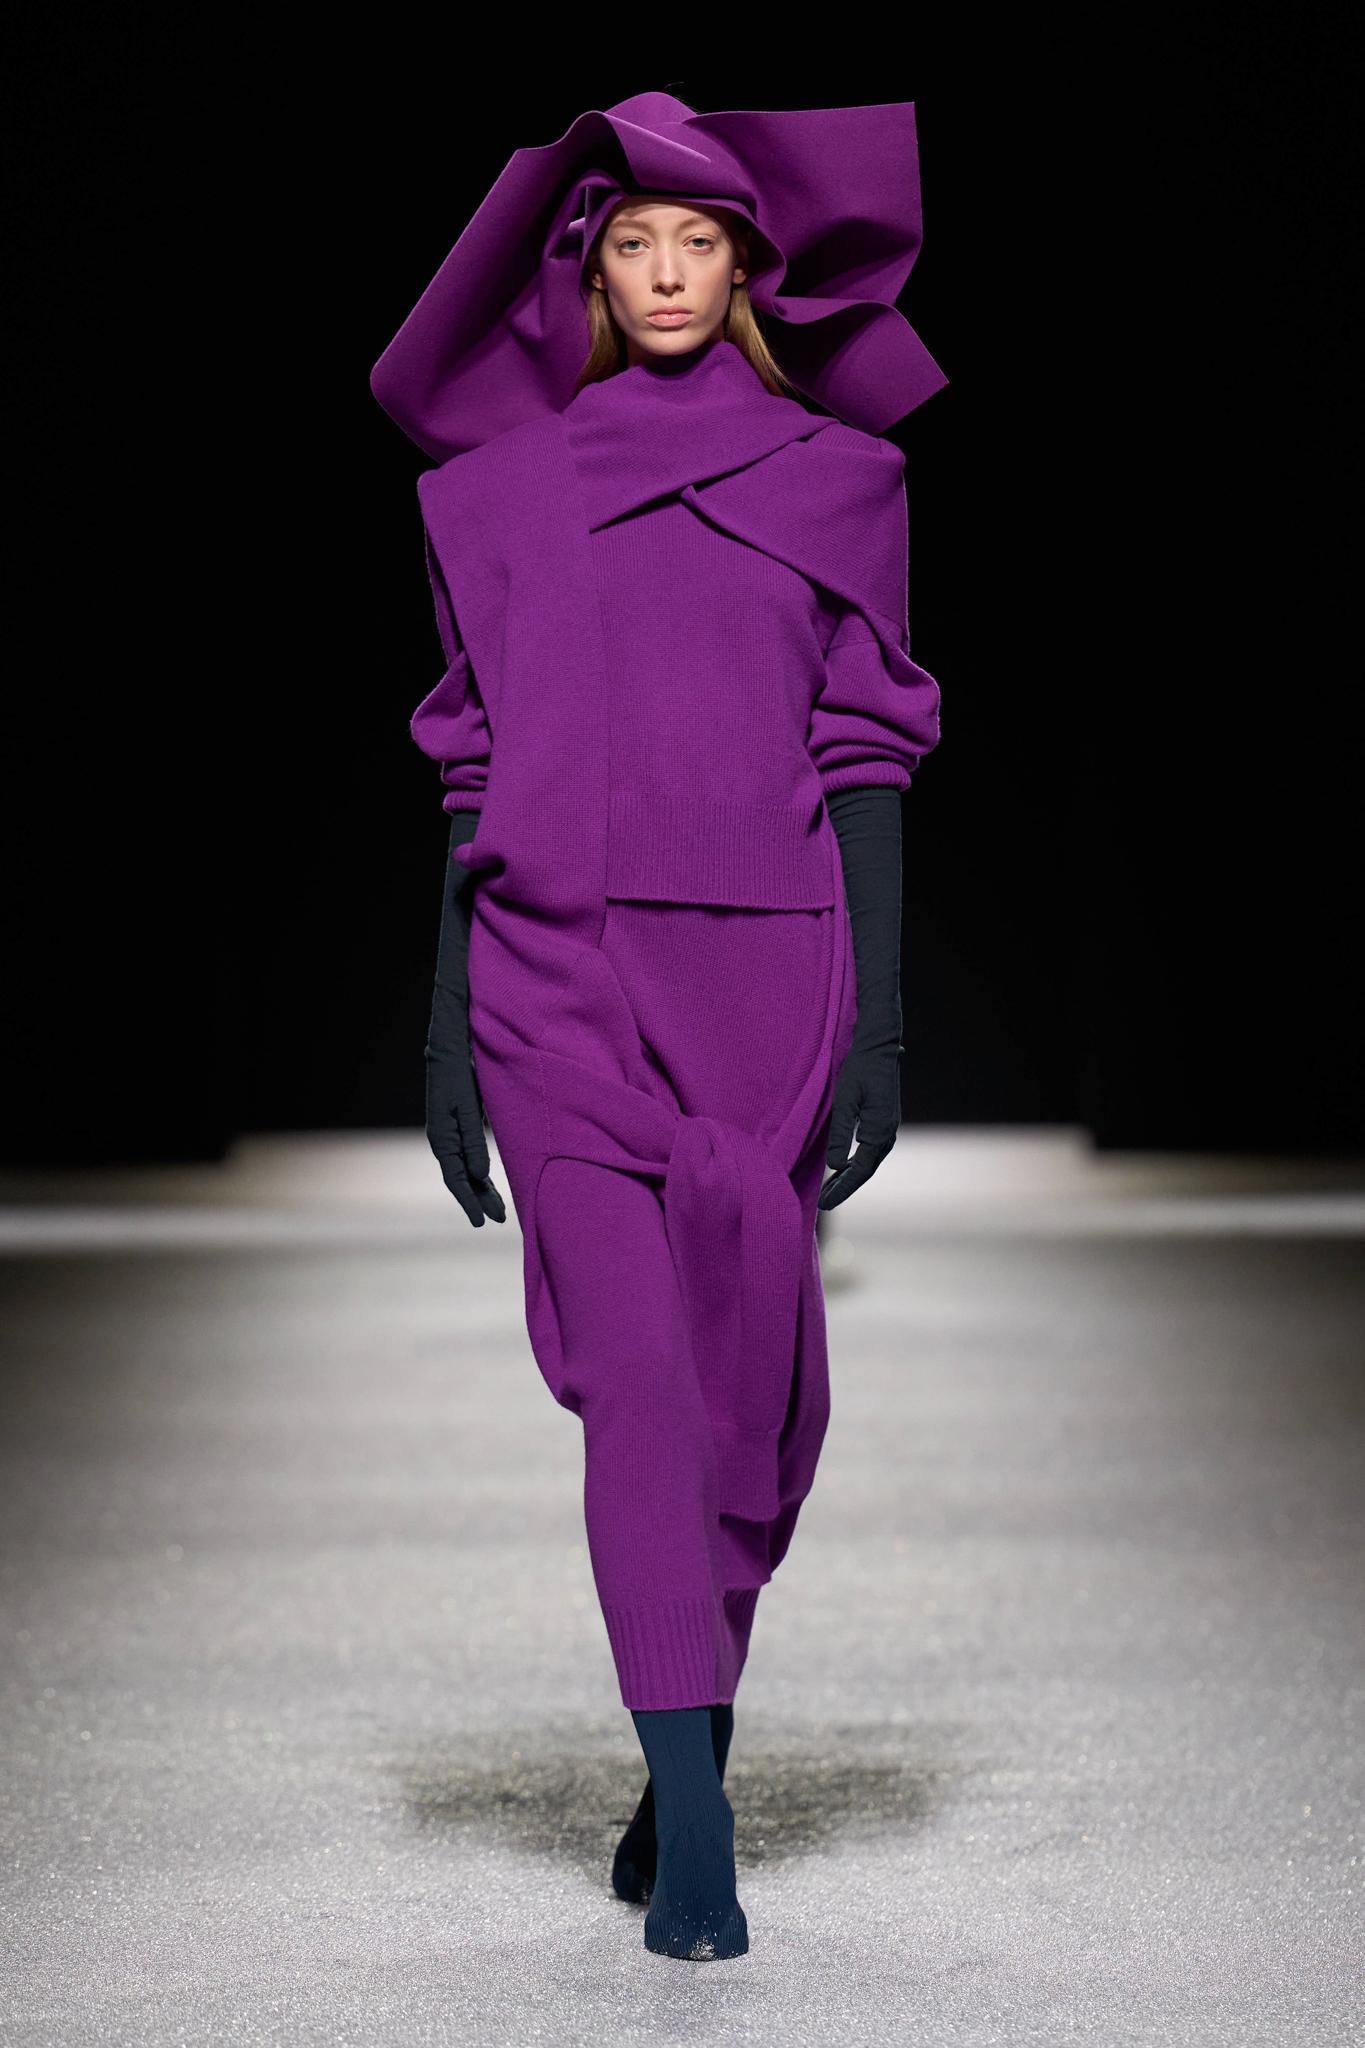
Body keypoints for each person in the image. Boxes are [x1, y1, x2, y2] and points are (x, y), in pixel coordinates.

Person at [371, 91, 947, 1963]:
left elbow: (865, 752)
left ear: (748, 270)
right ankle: (696, 1817)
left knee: (733, 1388)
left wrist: (878, 1027)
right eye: (635, 243)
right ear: (590, 272)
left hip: (767, 980)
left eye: (700, 243)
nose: (670, 272)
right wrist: (447, 1037)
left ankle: (682, 1736)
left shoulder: (841, 483)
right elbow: (468, 767)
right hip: (552, 973)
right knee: (634, 1380)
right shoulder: (501, 495)